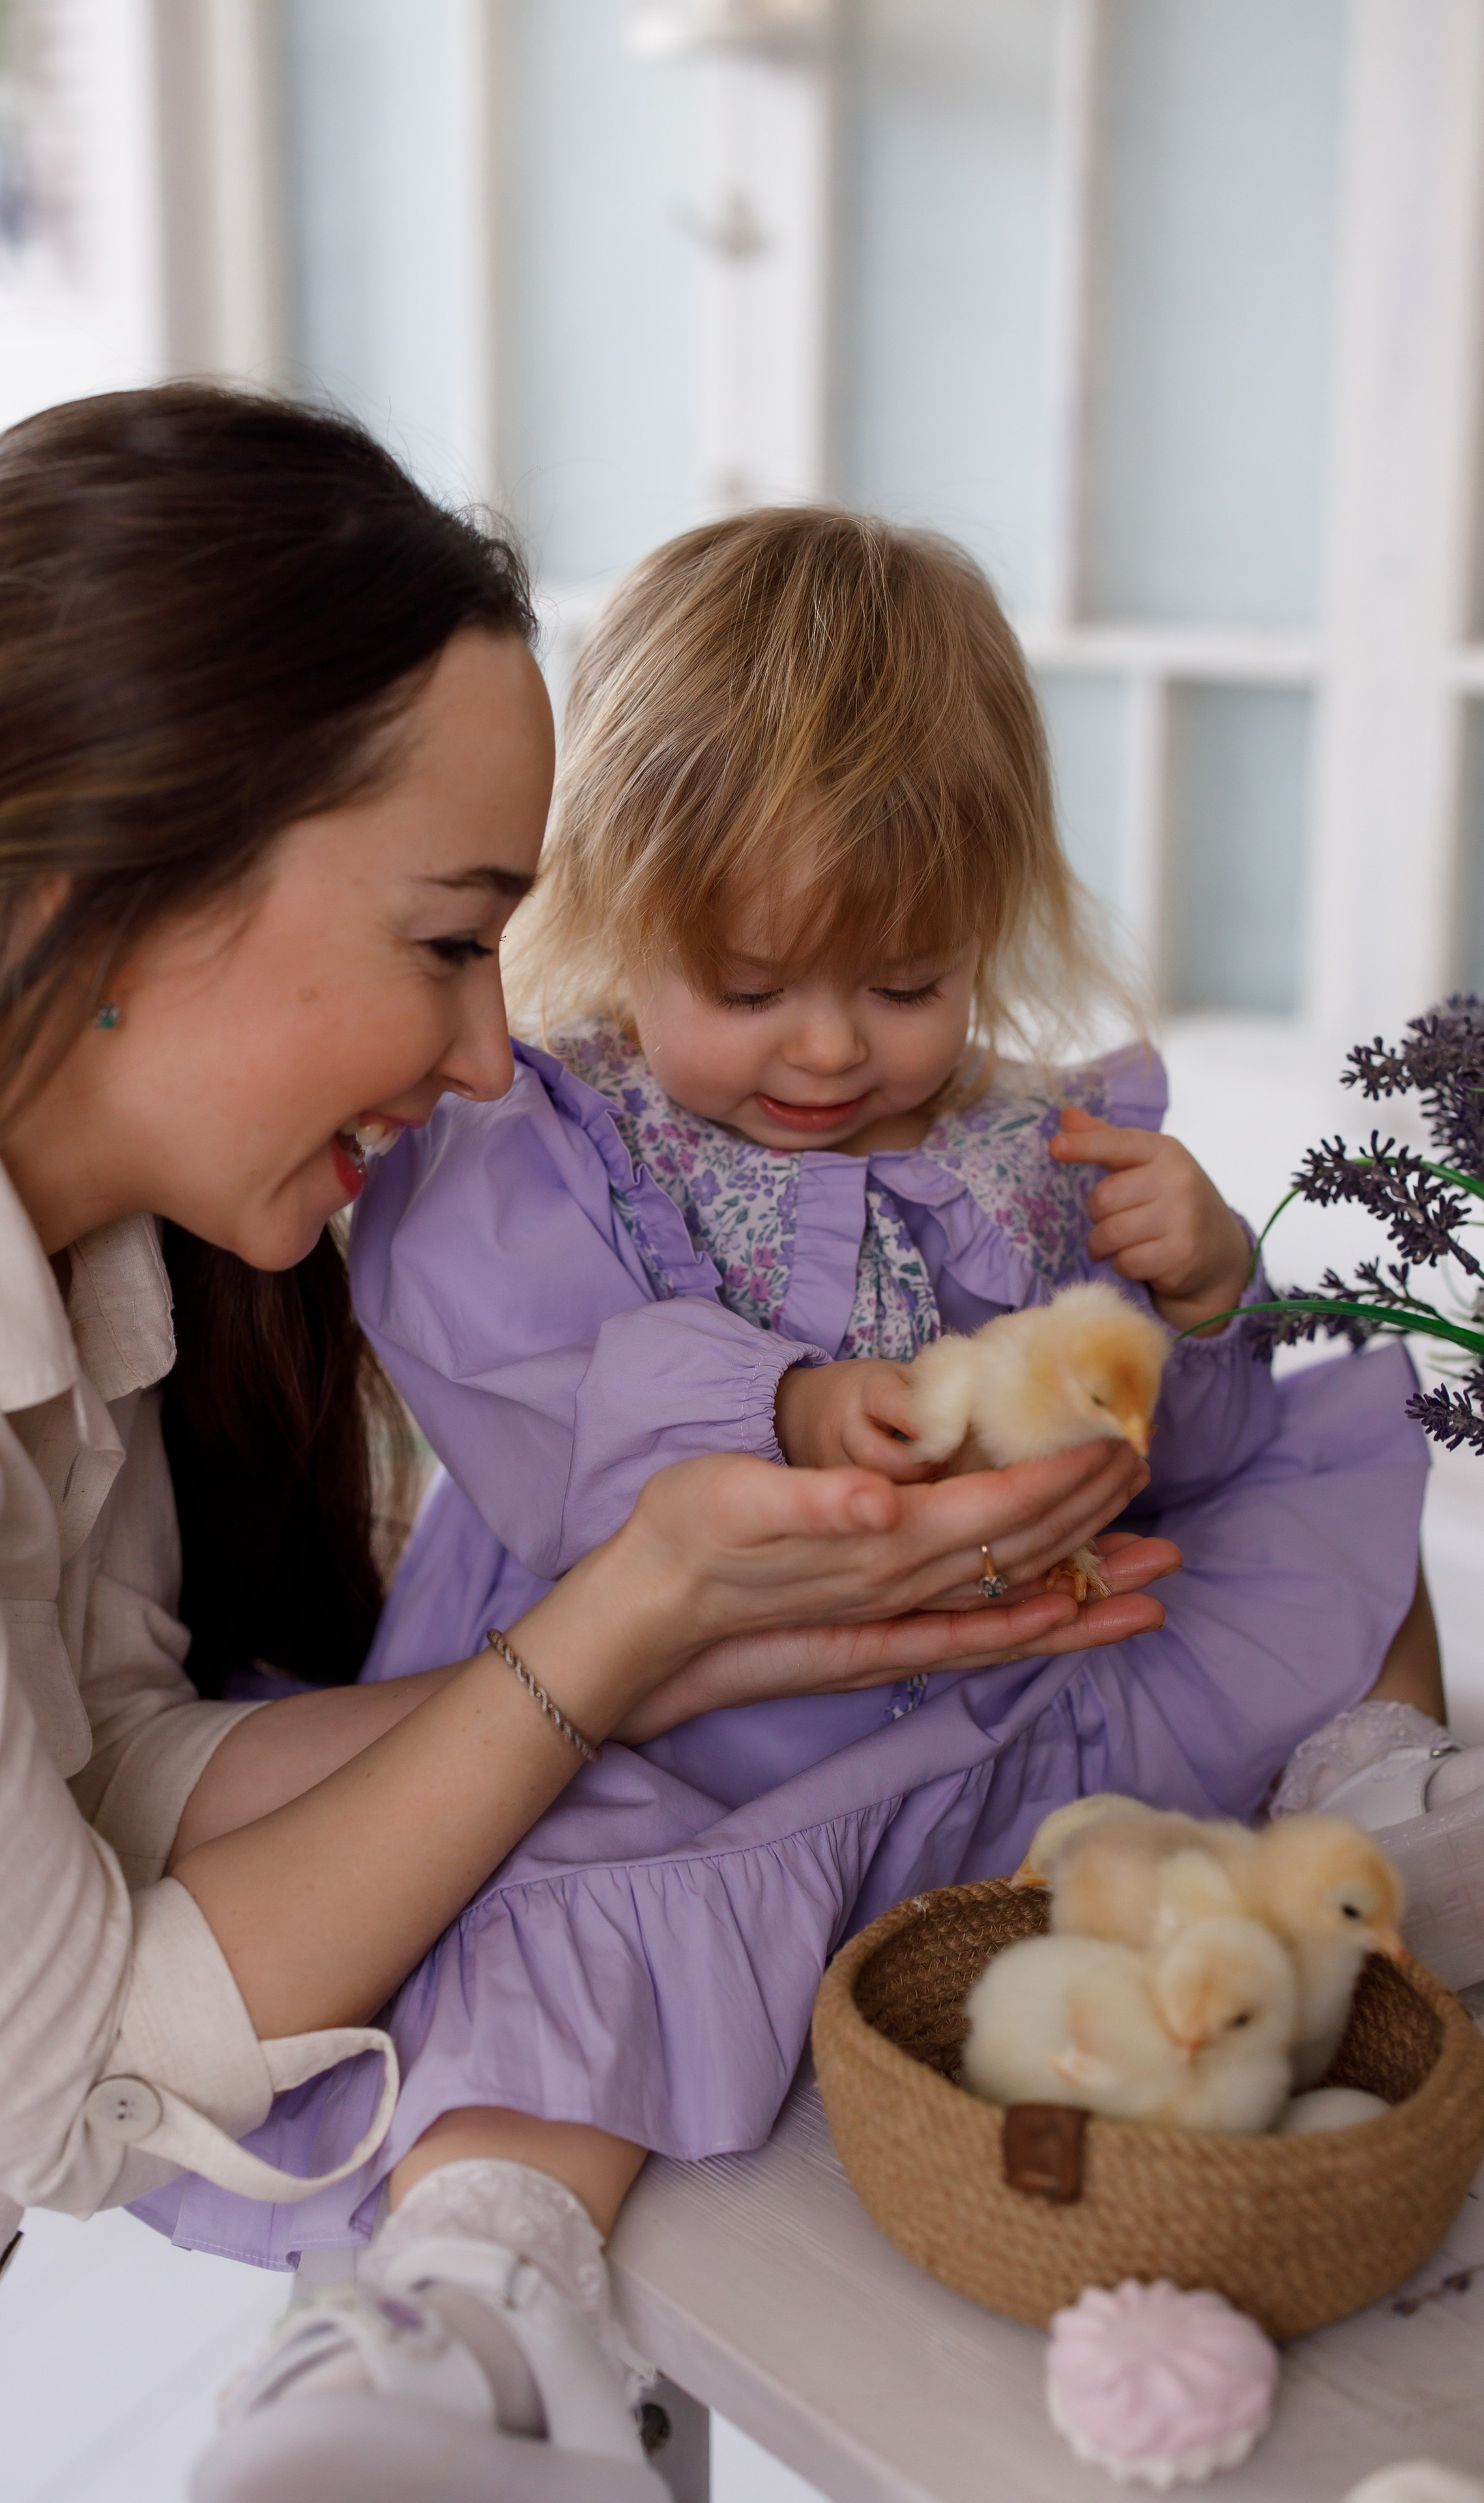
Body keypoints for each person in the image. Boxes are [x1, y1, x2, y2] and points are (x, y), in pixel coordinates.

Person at [0, 392, 1182, 2503]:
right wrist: (622, 1624)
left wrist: (677, 1653)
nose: (485, 1056)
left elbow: (96, 1771)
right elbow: (60, 2065)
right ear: (123, 885)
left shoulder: (80, 1280)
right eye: (453, 941)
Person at [139, 510, 1437, 2428]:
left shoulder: (1037, 1147)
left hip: (1004, 1715)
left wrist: (1203, 1299)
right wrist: (784, 1403)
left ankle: (1393, 1828)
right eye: (749, 984)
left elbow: (1186, 1462)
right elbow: (544, 1431)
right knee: (543, 1925)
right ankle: (472, 2307)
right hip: (678, 1737)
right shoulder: (545, 1145)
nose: (831, 1048)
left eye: (906, 981)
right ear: (616, 911)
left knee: (1347, 1518)